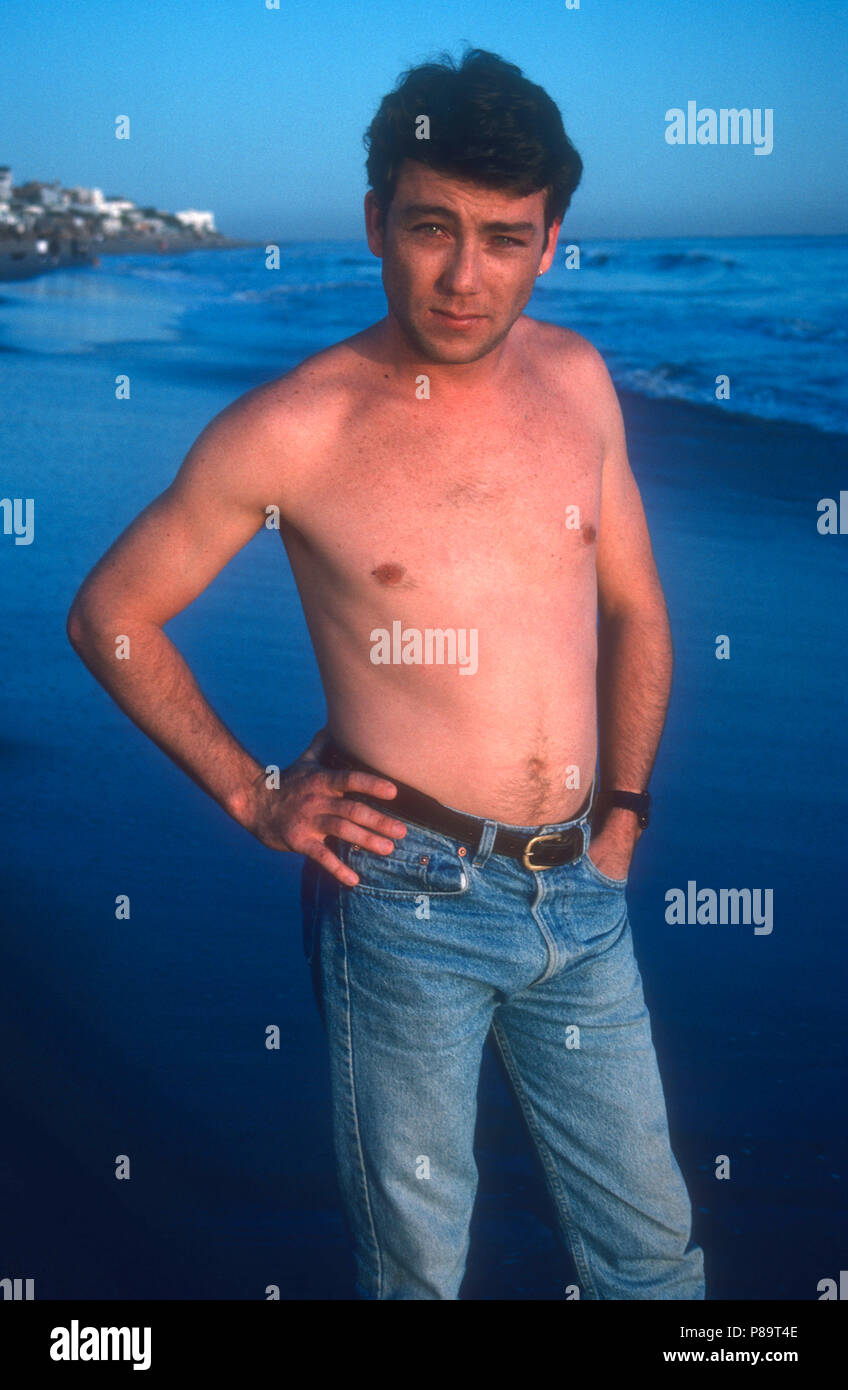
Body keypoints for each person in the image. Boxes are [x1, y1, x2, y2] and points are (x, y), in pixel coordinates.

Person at [67, 48, 705, 1301]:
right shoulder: (295, 430)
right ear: (375, 222)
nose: (465, 276)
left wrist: (624, 810)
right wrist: (255, 795)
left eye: (503, 238)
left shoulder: (578, 384)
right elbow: (111, 615)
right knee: (419, 1267)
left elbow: (635, 608)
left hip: (581, 889)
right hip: (405, 898)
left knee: (651, 1252)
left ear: (550, 240)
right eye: (431, 228)